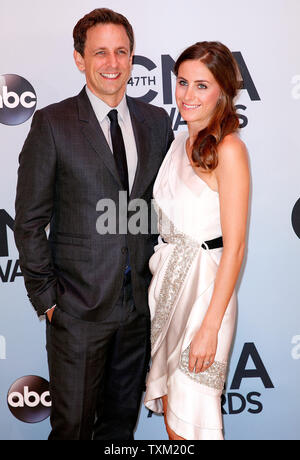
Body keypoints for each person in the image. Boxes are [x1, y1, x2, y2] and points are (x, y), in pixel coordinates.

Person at [14, 8, 174, 440]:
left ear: (132, 57)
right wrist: (49, 301)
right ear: (79, 59)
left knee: (119, 431)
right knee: (73, 430)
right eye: (100, 52)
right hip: (77, 311)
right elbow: (28, 221)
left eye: (122, 51)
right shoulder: (53, 123)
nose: (112, 63)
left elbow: (162, 207)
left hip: (139, 310)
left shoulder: (156, 122)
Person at [144, 41, 250, 440]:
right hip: (167, 288)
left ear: (223, 90)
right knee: (174, 416)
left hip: (206, 297)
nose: (188, 95)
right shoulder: (177, 144)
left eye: (201, 85)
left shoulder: (230, 149)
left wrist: (210, 326)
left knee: (193, 418)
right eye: (183, 82)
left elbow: (235, 248)